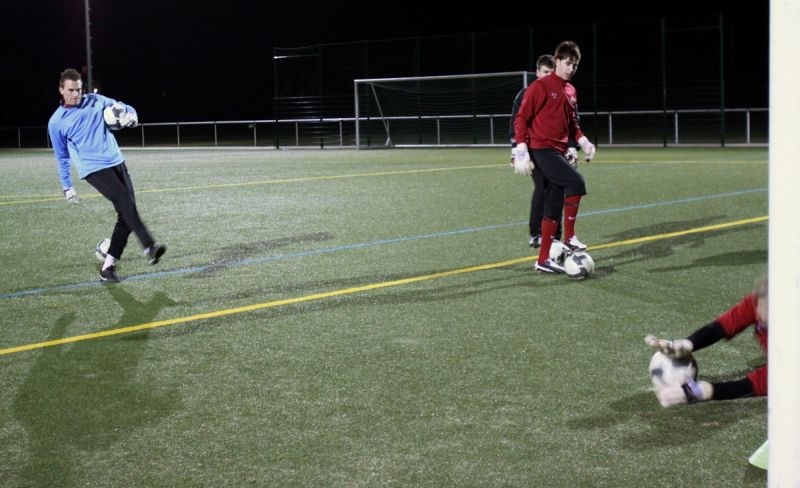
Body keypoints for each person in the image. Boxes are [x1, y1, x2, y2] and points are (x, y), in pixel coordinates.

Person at [48, 68, 166, 283]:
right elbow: (62, 157)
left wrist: (131, 116)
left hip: (116, 161)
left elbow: (123, 107)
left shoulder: (96, 100)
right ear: (61, 90)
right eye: (71, 90)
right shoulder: (56, 122)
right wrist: (67, 186)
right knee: (126, 203)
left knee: (126, 215)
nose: (76, 94)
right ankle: (149, 246)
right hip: (93, 169)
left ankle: (107, 268)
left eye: (79, 89)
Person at [513, 41, 595, 273]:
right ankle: (569, 238)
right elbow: (522, 118)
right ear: (557, 61)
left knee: (554, 202)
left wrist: (583, 141)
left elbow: (572, 124)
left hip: (558, 151)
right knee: (576, 182)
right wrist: (520, 149)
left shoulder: (571, 91)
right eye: (567, 63)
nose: (571, 68)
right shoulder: (540, 86)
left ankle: (543, 260)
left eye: (575, 65)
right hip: (541, 149)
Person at [644, 274, 768, 407]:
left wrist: (705, 391)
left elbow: (766, 382)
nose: (758, 312)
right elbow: (724, 325)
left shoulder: (786, 339)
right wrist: (688, 344)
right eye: (759, 304)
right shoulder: (759, 302)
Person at [508, 54, 572, 248]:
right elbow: (516, 122)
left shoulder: (562, 93)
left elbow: (568, 122)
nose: (548, 76)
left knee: (557, 189)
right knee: (542, 186)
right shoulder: (526, 94)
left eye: (551, 73)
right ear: (537, 73)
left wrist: (571, 147)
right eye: (545, 72)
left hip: (556, 149)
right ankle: (537, 233)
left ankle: (554, 236)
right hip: (534, 149)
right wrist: (517, 152)